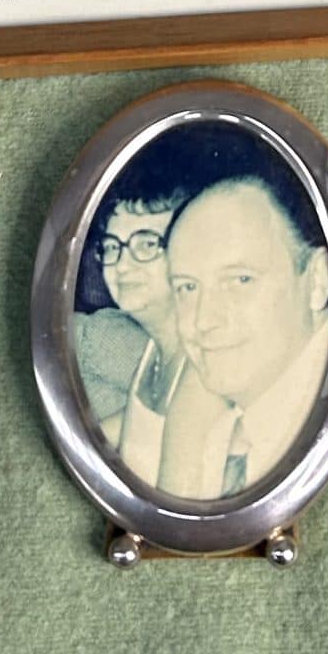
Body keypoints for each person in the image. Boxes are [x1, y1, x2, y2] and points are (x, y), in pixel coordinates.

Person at [152, 175, 328, 499]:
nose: (204, 320)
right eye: (187, 287)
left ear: (317, 281)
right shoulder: (222, 440)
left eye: (240, 280)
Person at [73, 189, 189, 485]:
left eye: (147, 243)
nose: (123, 265)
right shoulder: (152, 350)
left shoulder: (103, 337)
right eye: (112, 247)